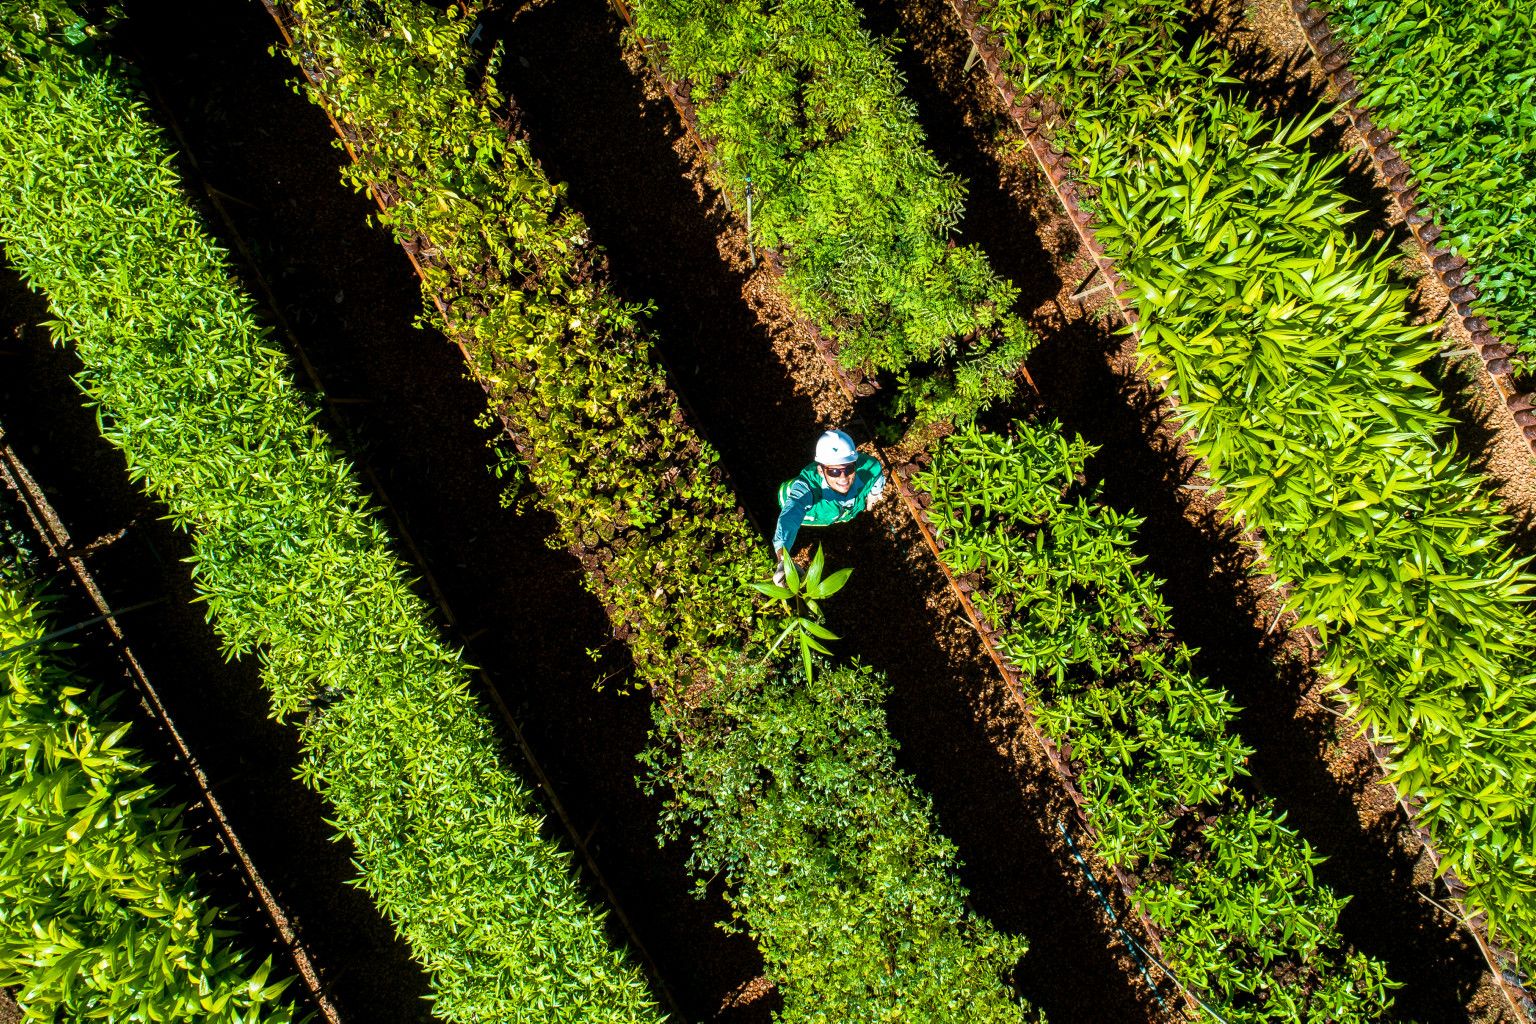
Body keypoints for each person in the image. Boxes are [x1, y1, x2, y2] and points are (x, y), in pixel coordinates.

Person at [772, 429, 886, 583]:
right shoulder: (808, 487)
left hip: (834, 514)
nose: (843, 478)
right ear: (820, 470)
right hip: (799, 511)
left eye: (849, 468)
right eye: (833, 471)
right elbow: (791, 515)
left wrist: (874, 494)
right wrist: (783, 558)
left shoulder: (868, 466)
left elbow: (877, 473)